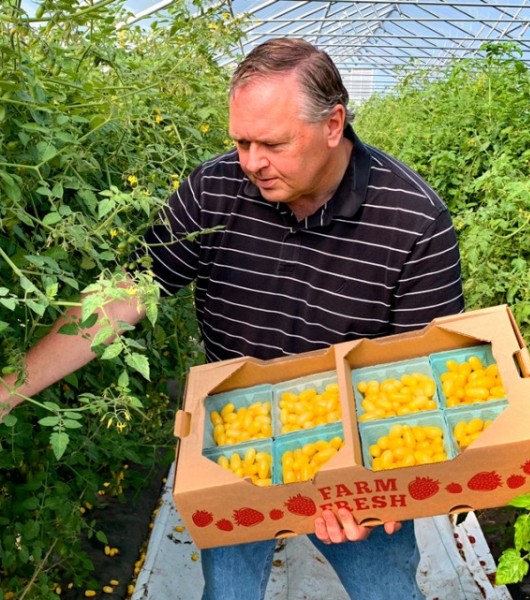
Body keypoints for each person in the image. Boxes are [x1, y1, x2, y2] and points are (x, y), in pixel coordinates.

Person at [1, 38, 464, 599]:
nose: (250, 163)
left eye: (271, 143)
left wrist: (384, 489)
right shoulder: (215, 188)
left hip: (355, 447)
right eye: (240, 141)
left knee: (385, 590)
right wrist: (9, 389)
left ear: (334, 123)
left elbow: (425, 371)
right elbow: (126, 294)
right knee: (228, 591)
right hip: (234, 437)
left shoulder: (412, 218)